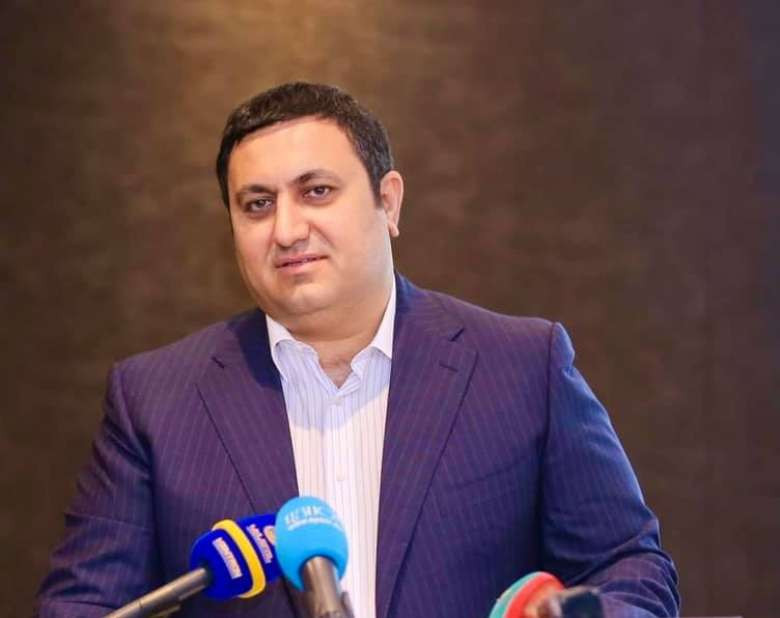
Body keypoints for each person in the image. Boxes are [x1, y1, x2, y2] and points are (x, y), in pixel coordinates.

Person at [37, 82, 679, 618]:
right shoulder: (155, 401)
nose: (287, 229)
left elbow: (629, 568)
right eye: (257, 204)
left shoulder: (520, 367)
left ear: (387, 201)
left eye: (316, 191)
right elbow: (82, 606)